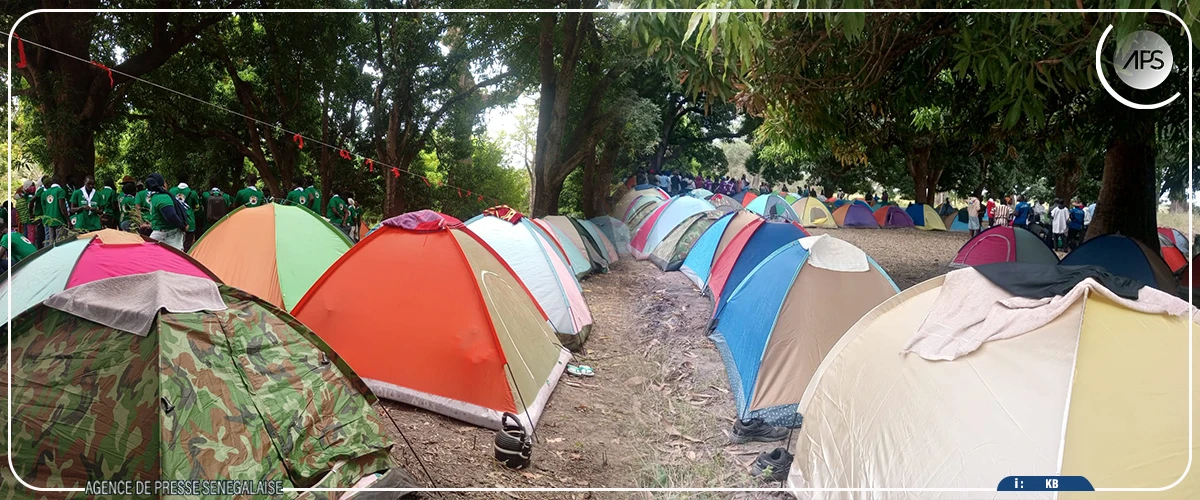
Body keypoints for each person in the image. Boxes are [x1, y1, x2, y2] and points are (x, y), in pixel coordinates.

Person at [143, 173, 188, 250]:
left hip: (159, 234)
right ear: (163, 184)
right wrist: (183, 226)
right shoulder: (163, 197)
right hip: (169, 237)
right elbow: (171, 216)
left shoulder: (154, 197)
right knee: (174, 260)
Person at [169, 175, 200, 250]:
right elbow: (197, 207)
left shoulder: (171, 191)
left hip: (175, 221)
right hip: (189, 222)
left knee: (174, 245)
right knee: (187, 245)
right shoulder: (192, 193)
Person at [38, 176, 69, 248]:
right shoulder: (60, 191)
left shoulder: (44, 194)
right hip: (59, 219)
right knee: (60, 242)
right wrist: (68, 220)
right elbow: (62, 207)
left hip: (49, 220)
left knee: (50, 242)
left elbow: (44, 208)